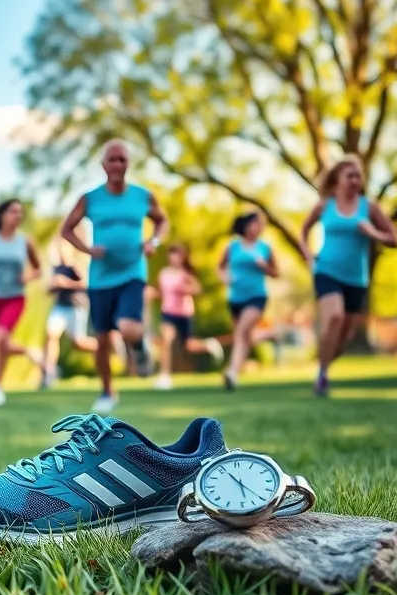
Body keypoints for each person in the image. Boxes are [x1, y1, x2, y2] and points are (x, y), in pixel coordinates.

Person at [59, 139, 168, 414]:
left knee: (128, 326)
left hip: (133, 272)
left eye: (122, 159)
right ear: (103, 165)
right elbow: (67, 229)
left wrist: (153, 242)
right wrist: (87, 249)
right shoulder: (90, 198)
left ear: (128, 164)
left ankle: (139, 347)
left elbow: (162, 221)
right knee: (102, 340)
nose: (117, 164)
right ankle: (107, 391)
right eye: (112, 159)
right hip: (100, 279)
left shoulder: (143, 196)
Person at [302, 156, 397, 396]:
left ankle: (323, 367)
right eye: (350, 175)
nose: (356, 180)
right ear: (337, 180)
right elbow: (303, 231)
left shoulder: (369, 208)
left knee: (343, 338)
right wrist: (307, 256)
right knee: (333, 317)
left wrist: (373, 232)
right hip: (326, 271)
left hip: (356, 279)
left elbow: (395, 239)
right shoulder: (325, 206)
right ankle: (323, 377)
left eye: (359, 175)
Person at [0, 199, 43, 406]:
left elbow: (38, 269)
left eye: (20, 212)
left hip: (15, 298)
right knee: (1, 344)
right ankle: (30, 352)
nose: (17, 216)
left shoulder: (25, 241)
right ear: (2, 215)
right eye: (13, 212)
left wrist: (28, 278)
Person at [218, 212, 278, 391]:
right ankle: (267, 335)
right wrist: (224, 277)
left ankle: (231, 372)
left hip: (257, 296)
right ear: (246, 225)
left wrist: (264, 267)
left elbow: (276, 273)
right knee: (244, 337)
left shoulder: (265, 248)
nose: (259, 227)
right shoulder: (232, 247)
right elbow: (220, 267)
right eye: (256, 223)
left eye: (261, 225)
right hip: (235, 297)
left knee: (241, 332)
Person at [154, 244, 224, 390]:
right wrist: (150, 293)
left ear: (182, 257)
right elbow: (160, 293)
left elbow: (198, 289)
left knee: (189, 346)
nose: (174, 258)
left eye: (178, 255)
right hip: (168, 312)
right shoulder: (163, 274)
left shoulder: (185, 274)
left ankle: (209, 344)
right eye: (172, 254)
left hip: (184, 313)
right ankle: (164, 376)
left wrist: (185, 289)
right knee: (166, 341)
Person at [41, 238, 96, 388]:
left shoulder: (75, 267)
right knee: (51, 334)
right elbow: (48, 290)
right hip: (60, 307)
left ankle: (101, 348)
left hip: (76, 307)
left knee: (79, 342)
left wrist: (65, 283)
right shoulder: (56, 269)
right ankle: (49, 373)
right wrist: (53, 286)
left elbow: (86, 284)